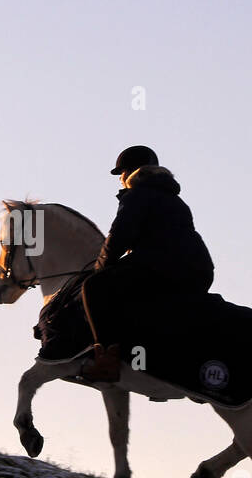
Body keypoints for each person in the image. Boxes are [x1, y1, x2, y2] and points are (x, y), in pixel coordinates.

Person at [80, 145, 215, 382]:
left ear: (131, 172)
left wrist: (98, 269)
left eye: (121, 174)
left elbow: (118, 239)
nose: (120, 180)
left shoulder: (137, 195)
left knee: (94, 288)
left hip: (162, 266)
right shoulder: (174, 199)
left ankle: (106, 362)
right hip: (199, 270)